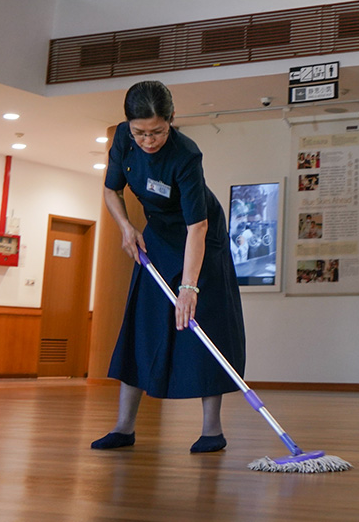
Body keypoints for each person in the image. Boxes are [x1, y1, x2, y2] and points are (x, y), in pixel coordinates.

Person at [91, 81, 246, 454]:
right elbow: (111, 190)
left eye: (157, 132)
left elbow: (199, 225)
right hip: (157, 235)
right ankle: (124, 427)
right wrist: (126, 227)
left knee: (200, 322)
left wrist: (189, 288)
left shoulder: (186, 155)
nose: (148, 141)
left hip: (201, 239)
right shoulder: (125, 142)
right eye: (140, 132)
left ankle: (212, 430)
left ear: (171, 122)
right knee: (143, 323)